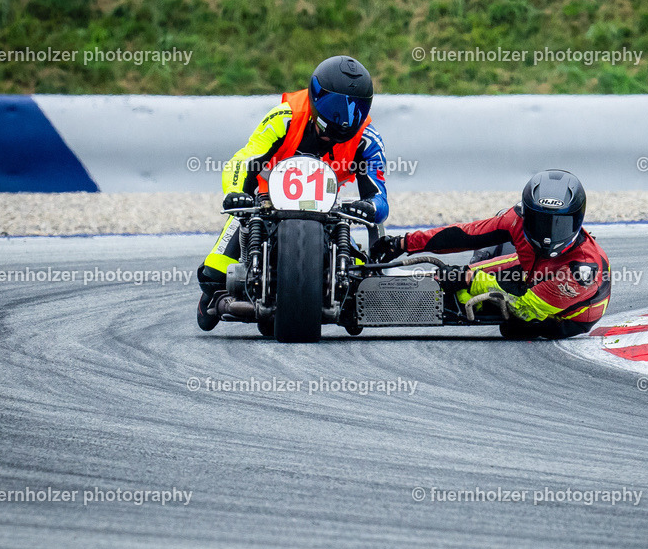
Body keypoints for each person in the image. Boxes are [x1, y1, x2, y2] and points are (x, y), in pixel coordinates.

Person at [197, 55, 389, 330]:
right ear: (315, 96)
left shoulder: (368, 138)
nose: (345, 117)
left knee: (361, 277)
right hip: (267, 204)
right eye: (335, 105)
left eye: (355, 107)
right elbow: (243, 160)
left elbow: (380, 197)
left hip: (327, 210)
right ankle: (217, 293)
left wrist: (370, 207)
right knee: (213, 275)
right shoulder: (284, 117)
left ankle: (335, 286)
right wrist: (237, 194)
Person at [371, 170, 610, 339]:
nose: (548, 235)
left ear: (578, 220)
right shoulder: (515, 219)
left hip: (564, 315)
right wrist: (404, 242)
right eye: (540, 222)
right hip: (533, 271)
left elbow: (525, 308)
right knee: (468, 272)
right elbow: (467, 234)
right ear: (526, 214)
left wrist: (470, 279)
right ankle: (392, 293)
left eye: (559, 224)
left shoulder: (583, 272)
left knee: (514, 323)